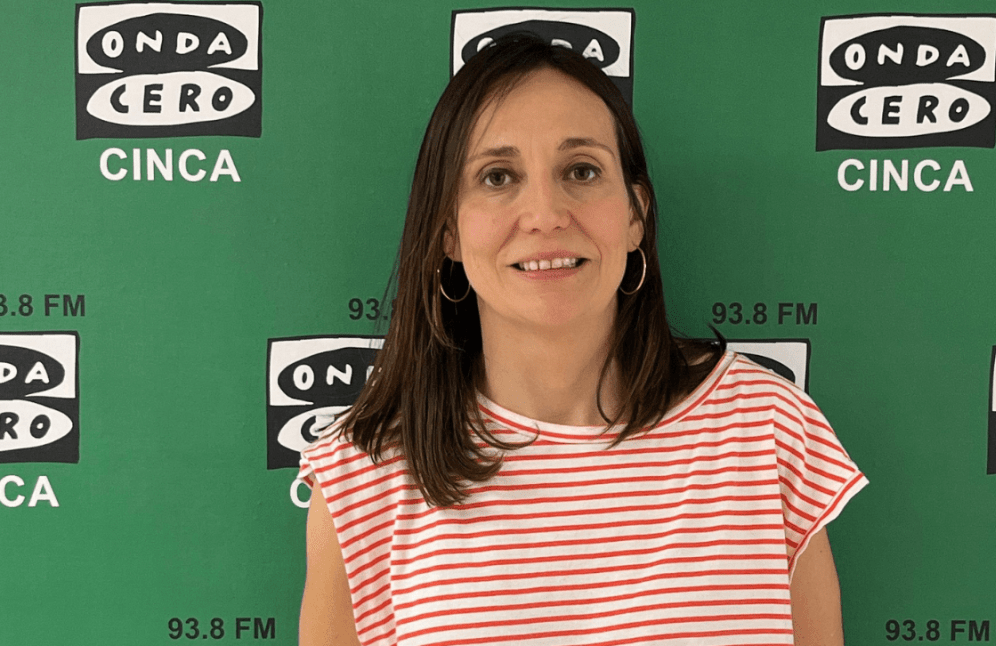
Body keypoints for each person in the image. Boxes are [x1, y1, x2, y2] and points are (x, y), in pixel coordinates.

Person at [297, 34, 867, 646]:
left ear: (635, 215)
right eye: (497, 176)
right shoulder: (364, 476)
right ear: (448, 232)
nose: (545, 214)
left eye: (582, 171)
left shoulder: (765, 430)